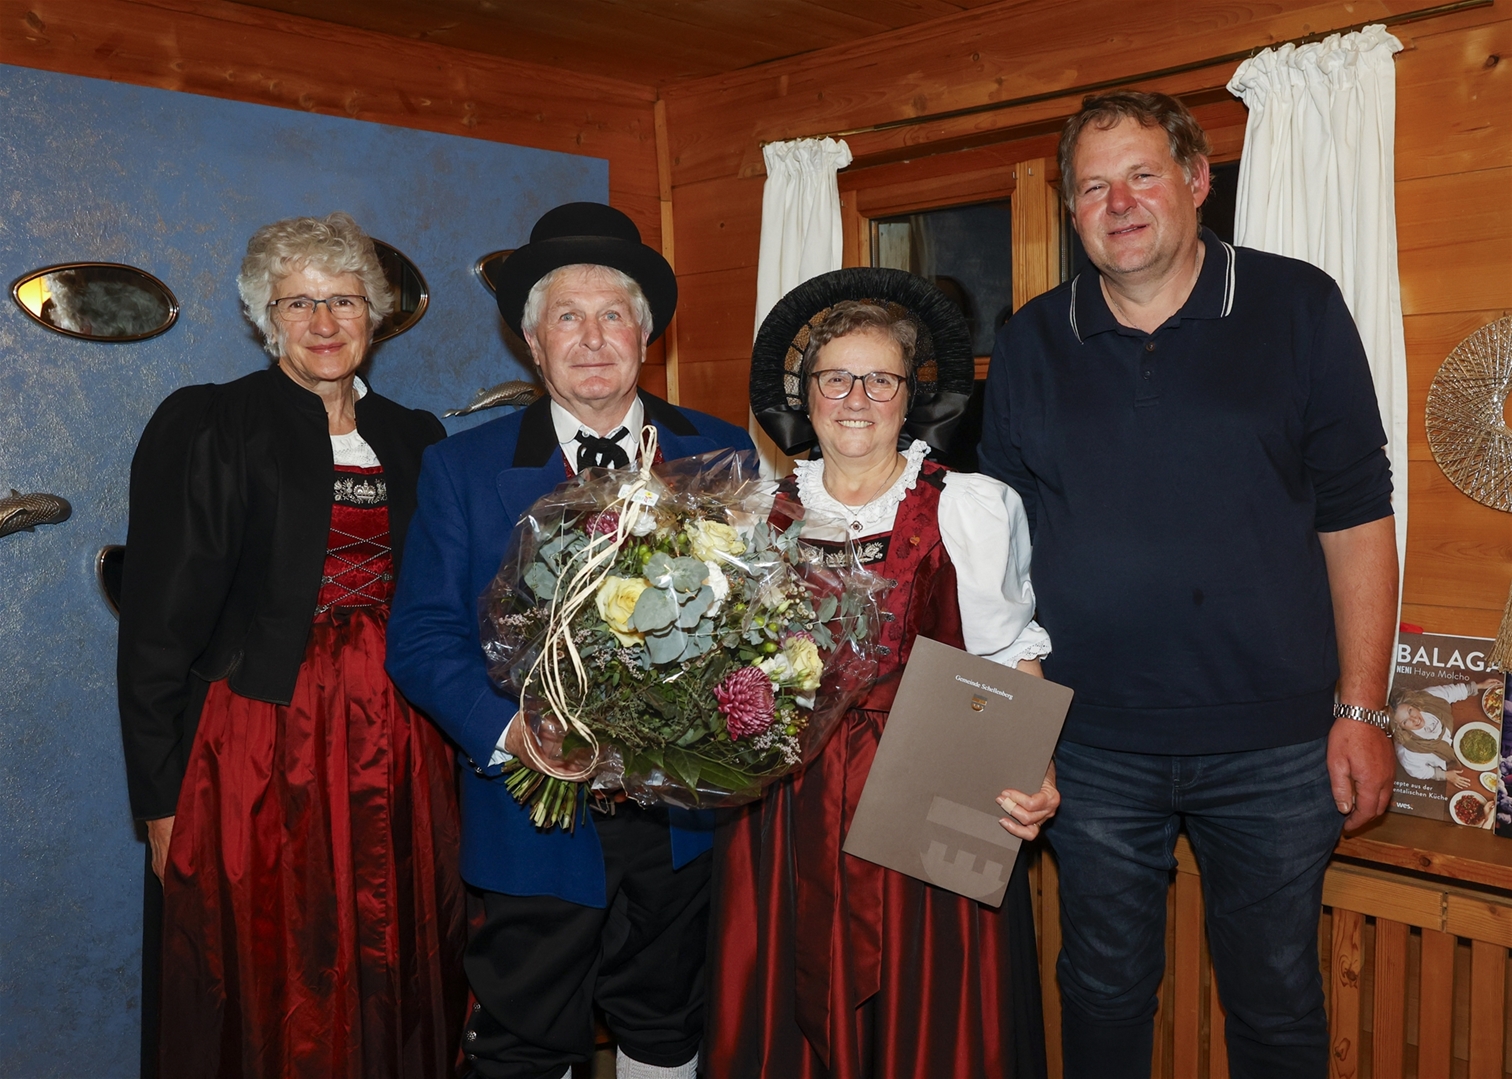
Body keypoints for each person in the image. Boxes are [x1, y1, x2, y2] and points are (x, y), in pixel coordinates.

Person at [978, 91, 1399, 1078]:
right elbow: (997, 556)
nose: (1119, 203)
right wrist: (1012, 730)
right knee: (1101, 993)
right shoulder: (1031, 340)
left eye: (1142, 175)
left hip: (1278, 747)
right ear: (1071, 210)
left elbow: (1357, 516)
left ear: (1198, 180)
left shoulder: (1299, 307)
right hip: (1088, 745)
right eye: (1094, 187)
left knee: (1277, 1002)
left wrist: (1364, 708)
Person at [385, 202, 753, 1079]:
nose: (592, 339)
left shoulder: (720, 450)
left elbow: (755, 622)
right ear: (532, 342)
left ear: (645, 334)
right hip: (531, 816)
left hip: (680, 822)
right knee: (523, 1044)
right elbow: (422, 637)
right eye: (567, 318)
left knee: (669, 1029)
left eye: (613, 315)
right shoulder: (462, 467)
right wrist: (513, 733)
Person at [117, 211, 466, 1079]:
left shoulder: (417, 437)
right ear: (265, 317)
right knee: (272, 961)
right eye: (298, 302)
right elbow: (158, 627)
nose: (323, 322)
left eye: (342, 300)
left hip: (400, 740)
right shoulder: (210, 423)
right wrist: (159, 798)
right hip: (257, 746)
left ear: (373, 313)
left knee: (394, 944)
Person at [710, 268, 1059, 1079]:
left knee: (928, 1017)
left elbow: (1011, 653)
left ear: (910, 398)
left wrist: (1037, 768)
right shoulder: (751, 512)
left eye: (881, 380)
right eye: (836, 378)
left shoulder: (970, 505)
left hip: (929, 793)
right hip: (784, 808)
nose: (857, 398)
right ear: (807, 397)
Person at [1389, 678, 1501, 787]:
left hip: (1459, 728)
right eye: (1405, 721)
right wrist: (1444, 775)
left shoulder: (1428, 698)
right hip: (1451, 762)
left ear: (1413, 704)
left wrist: (1478, 686)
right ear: (1399, 727)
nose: (1414, 719)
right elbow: (1417, 771)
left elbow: (1449, 692)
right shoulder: (1407, 752)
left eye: (1410, 711)